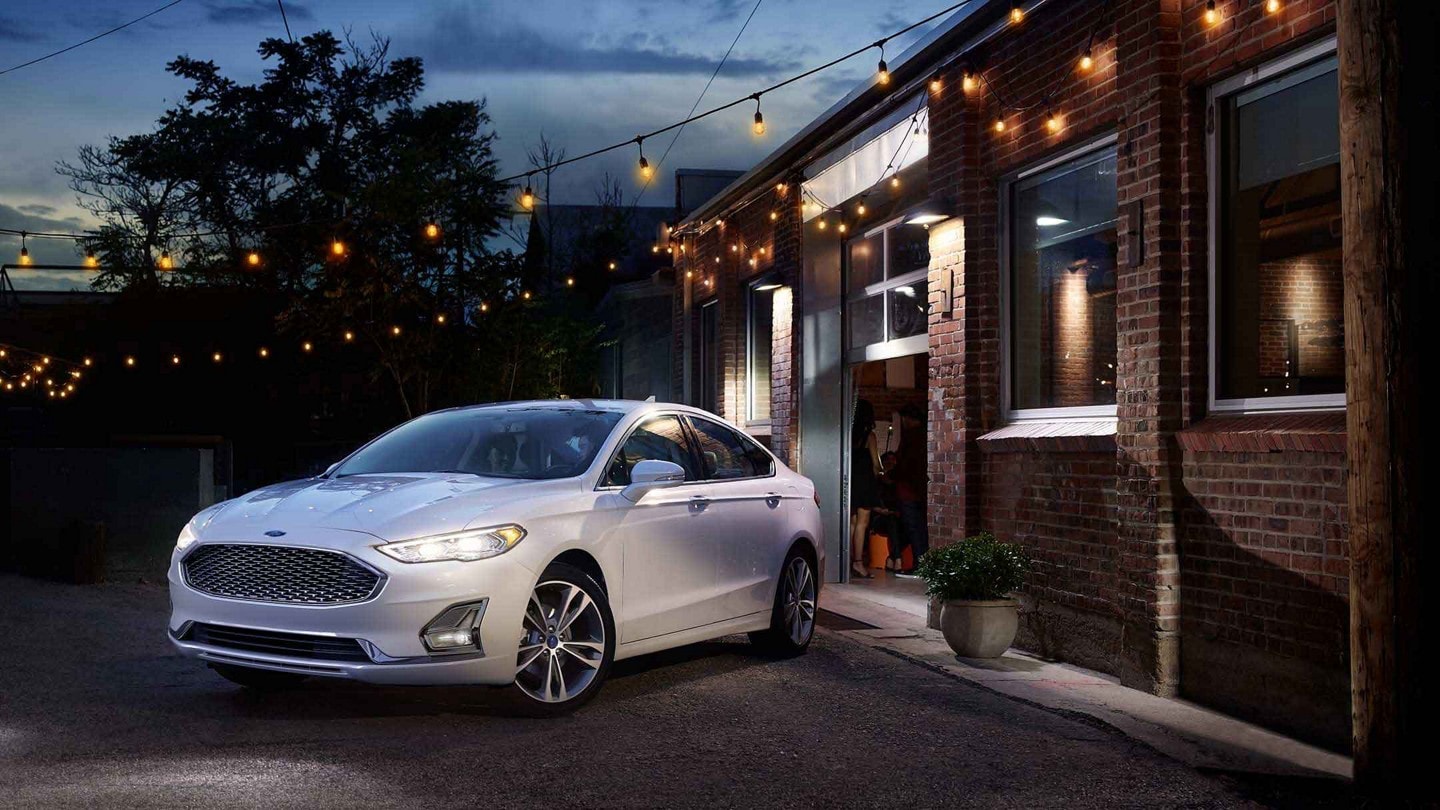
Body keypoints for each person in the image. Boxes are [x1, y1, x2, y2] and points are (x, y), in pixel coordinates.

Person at [892, 403, 928, 575]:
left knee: (914, 528)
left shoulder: (911, 439)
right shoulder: (925, 436)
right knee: (920, 528)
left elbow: (905, 465)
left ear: (907, 418)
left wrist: (891, 475)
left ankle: (919, 564)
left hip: (908, 490)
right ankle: (921, 562)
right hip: (918, 489)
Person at [849, 398, 881, 579]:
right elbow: (876, 464)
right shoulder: (870, 437)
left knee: (852, 522)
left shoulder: (850, 436)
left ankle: (850, 559)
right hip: (865, 482)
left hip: (851, 481)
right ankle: (859, 562)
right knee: (863, 523)